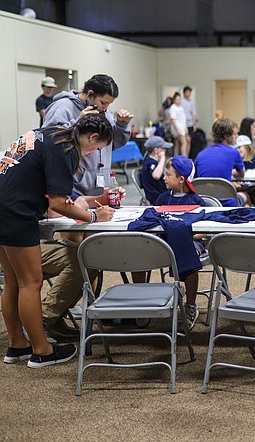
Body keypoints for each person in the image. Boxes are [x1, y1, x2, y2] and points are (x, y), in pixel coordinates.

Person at [1, 114, 115, 368]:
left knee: (13, 281)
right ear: (93, 137)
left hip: (4, 206)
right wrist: (95, 215)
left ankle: (17, 344)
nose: (93, 153)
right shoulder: (66, 148)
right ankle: (42, 350)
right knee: (31, 282)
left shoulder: (51, 133)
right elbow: (58, 202)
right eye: (97, 148)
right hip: (15, 212)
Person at [42, 74, 132, 201]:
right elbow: (48, 139)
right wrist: (78, 122)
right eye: (103, 102)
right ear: (90, 94)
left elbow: (112, 143)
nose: (105, 108)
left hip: (99, 188)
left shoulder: (104, 113)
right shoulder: (63, 107)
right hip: (75, 189)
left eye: (108, 105)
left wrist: (122, 125)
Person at [152, 155, 205, 328]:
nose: (164, 178)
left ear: (181, 179)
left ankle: (190, 305)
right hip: (165, 240)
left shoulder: (196, 201)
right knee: (142, 249)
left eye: (168, 175)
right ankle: (141, 304)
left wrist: (184, 236)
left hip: (191, 241)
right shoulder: (162, 199)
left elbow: (203, 231)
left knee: (188, 253)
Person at [195, 117, 244, 206]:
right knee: (246, 196)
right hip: (228, 204)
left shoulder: (201, 154)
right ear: (226, 136)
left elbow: (197, 180)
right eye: (235, 134)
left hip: (206, 203)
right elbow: (241, 174)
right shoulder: (233, 152)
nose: (237, 136)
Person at [140, 135, 172, 204]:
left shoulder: (149, 162)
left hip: (160, 195)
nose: (165, 150)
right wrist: (162, 159)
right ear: (156, 150)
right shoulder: (150, 163)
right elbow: (156, 176)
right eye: (163, 148)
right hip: (158, 198)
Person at [181, 86, 197, 155]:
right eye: (187, 92)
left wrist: (194, 124)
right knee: (183, 141)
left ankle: (187, 156)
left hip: (190, 124)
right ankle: (183, 157)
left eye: (189, 92)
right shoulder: (181, 101)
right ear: (184, 93)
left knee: (189, 141)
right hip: (182, 124)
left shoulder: (191, 102)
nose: (188, 93)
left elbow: (194, 114)